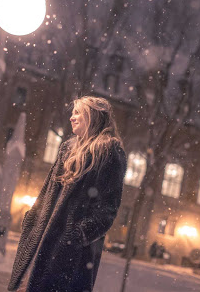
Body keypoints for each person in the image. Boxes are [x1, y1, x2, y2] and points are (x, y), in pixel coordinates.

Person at [8, 96, 127, 292]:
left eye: (78, 112)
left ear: (93, 116)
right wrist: (31, 220)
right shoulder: (68, 148)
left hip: (66, 255)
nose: (72, 117)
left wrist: (75, 236)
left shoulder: (109, 152)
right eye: (73, 112)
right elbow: (46, 193)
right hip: (38, 243)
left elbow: (107, 210)